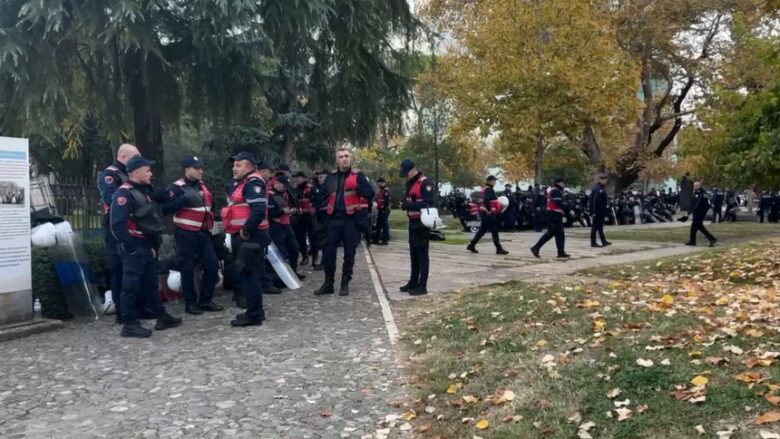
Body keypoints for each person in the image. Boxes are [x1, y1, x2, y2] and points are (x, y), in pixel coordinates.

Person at [110, 155, 183, 338]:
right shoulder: (124, 194)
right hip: (134, 245)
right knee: (131, 285)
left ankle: (161, 316)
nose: (150, 173)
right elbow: (117, 225)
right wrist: (132, 247)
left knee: (151, 284)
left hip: (147, 243)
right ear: (135, 172)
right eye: (147, 170)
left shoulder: (145, 191)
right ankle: (129, 324)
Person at [167, 156, 224, 315]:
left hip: (203, 232)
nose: (201, 171)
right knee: (187, 268)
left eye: (201, 168)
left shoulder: (202, 186)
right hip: (185, 232)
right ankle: (190, 303)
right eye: (197, 168)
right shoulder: (177, 187)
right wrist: (181, 201)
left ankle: (205, 300)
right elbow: (166, 209)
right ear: (187, 170)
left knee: (212, 265)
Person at [316, 148, 374, 296]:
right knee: (328, 253)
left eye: (347, 156)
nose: (344, 159)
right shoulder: (331, 177)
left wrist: (356, 186)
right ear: (337, 160)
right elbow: (321, 195)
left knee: (349, 253)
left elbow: (370, 193)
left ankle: (345, 282)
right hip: (333, 220)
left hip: (350, 221)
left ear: (351, 158)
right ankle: (328, 283)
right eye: (341, 157)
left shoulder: (358, 176)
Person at [222, 152, 271, 326]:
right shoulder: (244, 183)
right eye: (234, 165)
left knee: (249, 275)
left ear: (250, 166)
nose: (234, 168)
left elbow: (258, 210)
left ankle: (254, 314)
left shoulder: (253, 183)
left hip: (250, 236)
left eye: (239, 165)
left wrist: (245, 229)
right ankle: (256, 311)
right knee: (250, 274)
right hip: (246, 235)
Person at [97, 143, 141, 323]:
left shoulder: (130, 174)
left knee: (133, 267)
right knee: (118, 267)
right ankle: (122, 312)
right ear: (123, 157)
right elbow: (112, 198)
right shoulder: (110, 175)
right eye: (135, 157)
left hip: (132, 224)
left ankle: (136, 308)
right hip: (116, 225)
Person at [399, 159, 434, 296]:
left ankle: (422, 285)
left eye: (407, 173)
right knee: (413, 255)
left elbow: (429, 203)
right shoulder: (411, 183)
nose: (406, 176)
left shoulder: (426, 183)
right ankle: (413, 281)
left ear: (414, 169)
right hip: (413, 222)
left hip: (422, 222)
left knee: (422, 255)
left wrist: (407, 206)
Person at [268, 174, 304, 278]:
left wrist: (292, 210)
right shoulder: (270, 194)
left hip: (286, 224)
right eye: (284, 186)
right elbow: (269, 212)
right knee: (281, 251)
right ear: (277, 183)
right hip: (276, 226)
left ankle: (293, 271)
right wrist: (282, 211)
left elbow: (292, 203)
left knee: (295, 248)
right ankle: (281, 276)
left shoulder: (285, 193)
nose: (285, 188)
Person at [531, 177, 572, 259]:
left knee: (560, 234)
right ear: (558, 183)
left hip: (556, 214)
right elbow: (559, 202)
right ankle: (536, 247)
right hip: (553, 215)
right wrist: (569, 210)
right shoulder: (555, 191)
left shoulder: (556, 191)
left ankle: (561, 251)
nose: (563, 184)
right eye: (562, 183)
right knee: (551, 233)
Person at [467, 175, 509, 255]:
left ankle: (472, 245)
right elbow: (487, 200)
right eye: (494, 181)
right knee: (494, 230)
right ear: (490, 181)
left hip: (484, 212)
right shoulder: (489, 189)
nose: (495, 182)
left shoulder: (484, 189)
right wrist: (490, 210)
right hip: (488, 213)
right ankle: (499, 248)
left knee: (482, 230)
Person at [686, 181, 718, 247]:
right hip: (699, 212)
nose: (693, 187)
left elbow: (696, 204)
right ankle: (692, 241)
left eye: (695, 186)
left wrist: (690, 211)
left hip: (699, 213)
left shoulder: (700, 193)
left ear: (698, 186)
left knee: (699, 227)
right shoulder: (703, 193)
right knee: (695, 227)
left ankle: (712, 239)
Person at [293, 171, 315, 265]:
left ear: (304, 178)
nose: (296, 179)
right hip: (299, 216)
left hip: (310, 216)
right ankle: (304, 256)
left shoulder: (311, 188)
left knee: (313, 236)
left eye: (298, 177)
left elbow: (316, 201)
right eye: (296, 177)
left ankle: (315, 257)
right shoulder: (294, 189)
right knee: (300, 237)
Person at [310, 169, 329, 270]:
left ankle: (325, 263)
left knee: (326, 241)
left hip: (327, 217)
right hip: (320, 217)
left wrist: (317, 208)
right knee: (322, 240)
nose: (319, 179)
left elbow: (330, 204)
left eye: (321, 177)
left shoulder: (329, 188)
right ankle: (323, 261)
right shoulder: (320, 188)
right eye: (318, 177)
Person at [589, 172, 611, 248]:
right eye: (603, 179)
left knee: (600, 227)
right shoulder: (597, 188)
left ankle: (603, 241)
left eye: (605, 179)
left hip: (601, 211)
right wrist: (593, 211)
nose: (605, 181)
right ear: (599, 180)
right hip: (597, 211)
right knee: (595, 227)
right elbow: (595, 201)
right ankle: (593, 242)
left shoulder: (601, 188)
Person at [373, 177, 391, 245]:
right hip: (380, 209)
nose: (378, 184)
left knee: (384, 225)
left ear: (383, 183)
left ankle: (385, 240)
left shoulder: (386, 190)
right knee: (378, 225)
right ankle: (376, 239)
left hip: (384, 210)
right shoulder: (381, 190)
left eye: (379, 182)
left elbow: (386, 201)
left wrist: (384, 209)